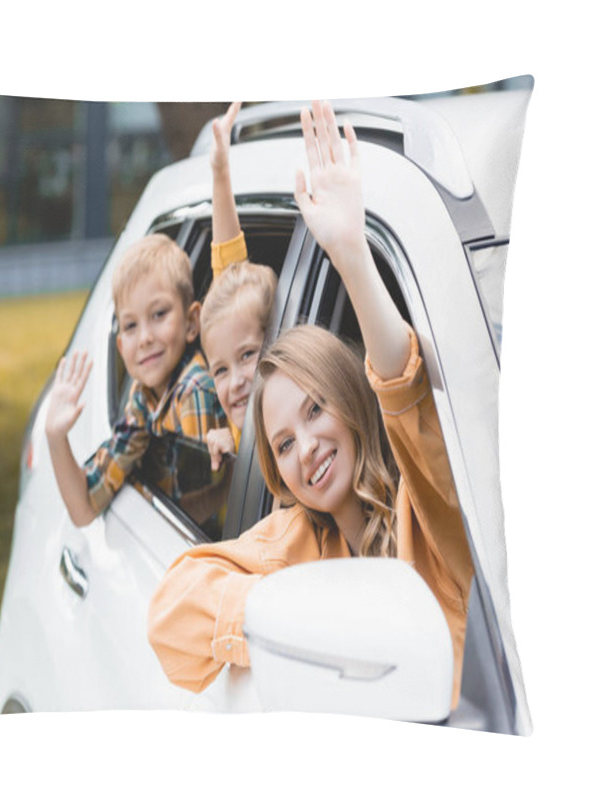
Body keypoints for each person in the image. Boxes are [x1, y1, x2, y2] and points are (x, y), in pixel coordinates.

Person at [147, 101, 474, 710]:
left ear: (351, 400)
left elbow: (403, 390)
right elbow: (170, 611)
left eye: (316, 411)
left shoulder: (423, 508)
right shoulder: (297, 537)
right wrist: (278, 610)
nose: (307, 450)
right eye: (284, 445)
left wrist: (350, 253)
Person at [45, 233, 227, 527]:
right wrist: (56, 437)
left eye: (158, 314)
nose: (144, 338)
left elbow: (211, 509)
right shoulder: (144, 399)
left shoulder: (194, 390)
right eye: (130, 325)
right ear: (120, 347)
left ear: (192, 322)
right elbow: (85, 507)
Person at [201, 102, 278, 470]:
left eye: (248, 355)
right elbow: (230, 286)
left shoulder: (290, 431)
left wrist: (221, 173)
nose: (235, 383)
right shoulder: (239, 428)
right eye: (219, 370)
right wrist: (230, 440)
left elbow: (228, 269)